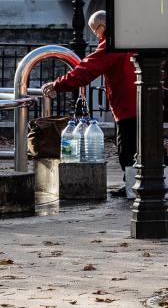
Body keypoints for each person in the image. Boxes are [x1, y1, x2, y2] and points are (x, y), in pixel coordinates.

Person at [41, 10, 138, 198]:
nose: (95, 34)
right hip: (140, 101)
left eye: (95, 30)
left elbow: (87, 69)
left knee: (126, 146)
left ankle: (132, 185)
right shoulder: (127, 38)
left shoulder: (111, 44)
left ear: (102, 27)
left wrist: (58, 84)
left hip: (127, 104)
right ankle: (162, 178)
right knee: (146, 142)